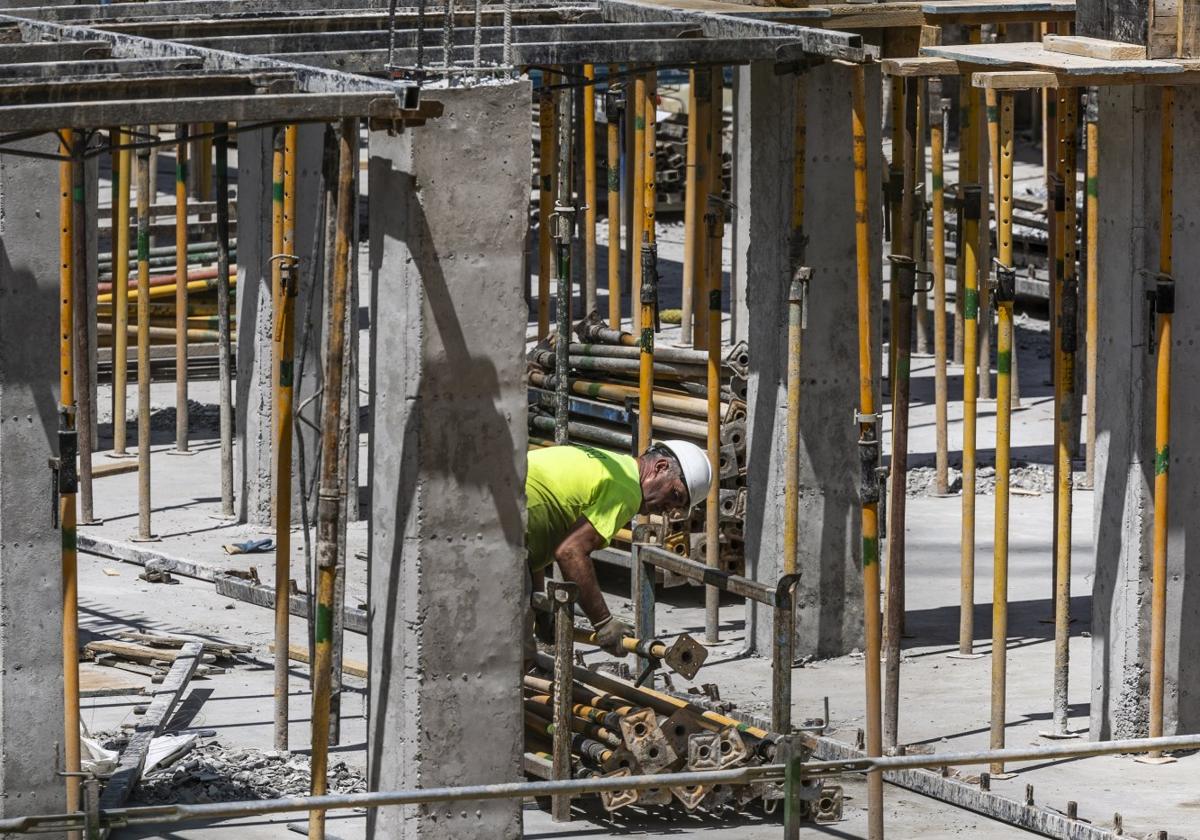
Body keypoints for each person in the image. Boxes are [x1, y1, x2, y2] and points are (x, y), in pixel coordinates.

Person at [526, 440, 712, 657]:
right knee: (513, 661)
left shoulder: (613, 465)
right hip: (502, 530)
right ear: (660, 467)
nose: (667, 509)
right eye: (675, 495)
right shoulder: (626, 489)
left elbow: (538, 526)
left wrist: (539, 605)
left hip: (498, 513)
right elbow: (570, 552)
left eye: (676, 507)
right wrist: (604, 623)